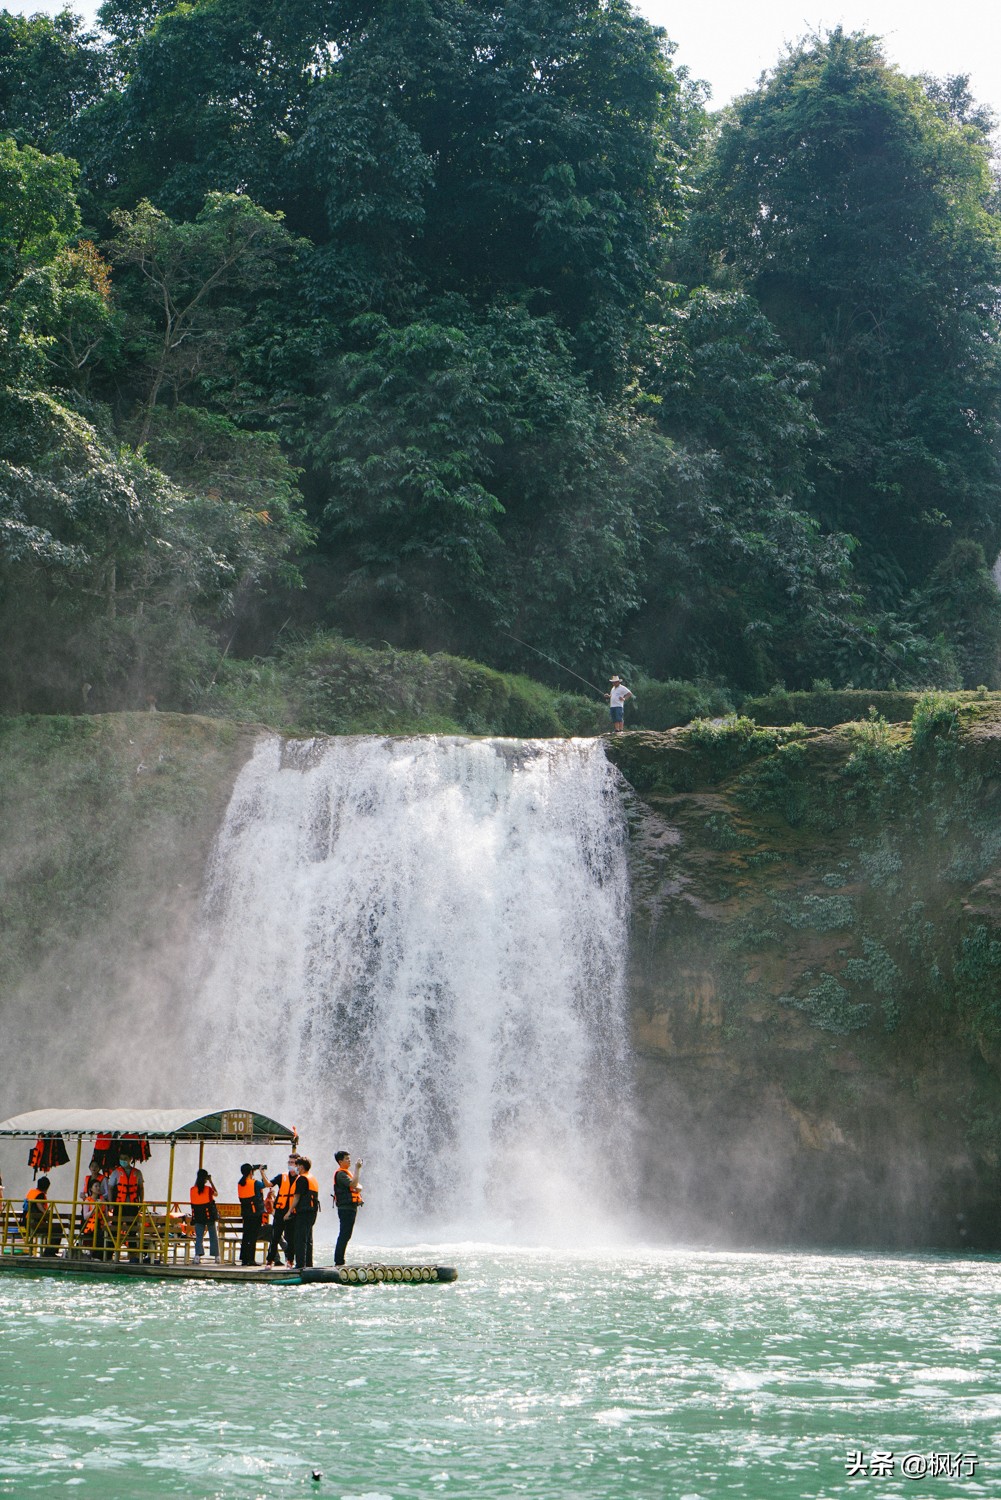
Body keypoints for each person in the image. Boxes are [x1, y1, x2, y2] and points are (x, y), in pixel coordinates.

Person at [106, 1154, 145, 1260]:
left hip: (132, 1205)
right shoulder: (116, 1173)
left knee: (132, 1230)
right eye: (121, 1158)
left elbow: (141, 1188)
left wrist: (141, 1203)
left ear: (130, 1159)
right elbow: (110, 1188)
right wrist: (110, 1203)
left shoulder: (137, 1173)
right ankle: (109, 1254)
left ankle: (133, 1256)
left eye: (125, 1158)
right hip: (119, 1205)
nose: (123, 1161)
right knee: (114, 1229)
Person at [264, 1154, 300, 1269]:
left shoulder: (301, 1179)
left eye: (293, 1162)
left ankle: (290, 1261)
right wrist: (262, 1173)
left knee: (291, 1238)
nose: (291, 1165)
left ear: (298, 1165)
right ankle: (269, 1261)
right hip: (280, 1210)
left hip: (292, 1212)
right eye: (289, 1162)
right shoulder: (282, 1176)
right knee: (275, 1237)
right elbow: (269, 1184)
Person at [332, 1151, 363, 1267]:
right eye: (346, 1159)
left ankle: (339, 1260)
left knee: (346, 1234)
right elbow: (355, 1185)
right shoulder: (341, 1174)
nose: (349, 1160)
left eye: (349, 1158)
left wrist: (357, 1186)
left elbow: (357, 1186)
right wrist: (357, 1168)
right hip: (346, 1208)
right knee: (344, 1234)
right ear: (340, 1162)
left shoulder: (346, 1173)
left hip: (350, 1207)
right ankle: (339, 1261)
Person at [289, 1155, 319, 1270]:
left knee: (300, 1239)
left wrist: (289, 1212)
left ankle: (300, 1265)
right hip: (312, 1212)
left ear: (301, 1166)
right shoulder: (312, 1178)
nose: (295, 1167)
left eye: (297, 1165)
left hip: (304, 1212)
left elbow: (296, 1197)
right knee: (308, 1239)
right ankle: (309, 1264)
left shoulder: (302, 1179)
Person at [23, 1176, 63, 1256]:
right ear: (47, 1187)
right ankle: (50, 1252)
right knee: (58, 1228)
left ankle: (49, 1251)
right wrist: (46, 1213)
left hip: (26, 1222)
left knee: (53, 1228)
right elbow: (40, 1206)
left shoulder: (32, 1192)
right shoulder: (40, 1195)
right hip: (35, 1224)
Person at [237, 1163, 265, 1266]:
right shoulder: (255, 1183)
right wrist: (262, 1172)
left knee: (246, 1235)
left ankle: (244, 1259)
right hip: (255, 1213)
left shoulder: (240, 1183)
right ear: (250, 1172)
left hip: (246, 1212)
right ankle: (251, 1259)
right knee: (253, 1236)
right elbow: (266, 1184)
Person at [189, 1168, 219, 1264]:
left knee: (199, 1236)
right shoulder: (208, 1189)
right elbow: (216, 1194)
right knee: (213, 1235)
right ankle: (216, 1256)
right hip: (209, 1215)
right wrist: (211, 1181)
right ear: (206, 1179)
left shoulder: (192, 1190)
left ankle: (198, 1255)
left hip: (198, 1216)